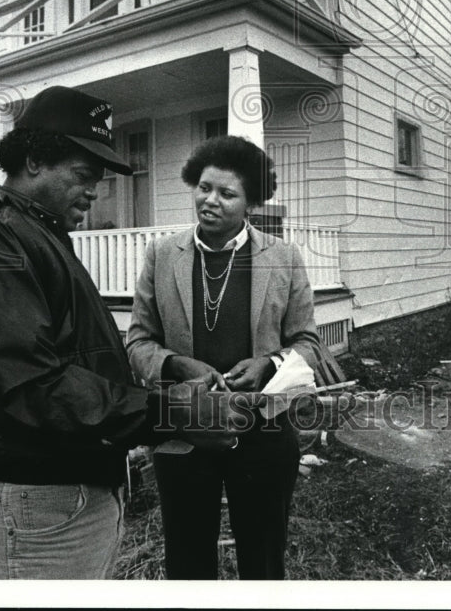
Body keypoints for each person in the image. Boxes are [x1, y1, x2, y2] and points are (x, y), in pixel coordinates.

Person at [0, 86, 238, 581]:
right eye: (84, 176)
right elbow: (33, 388)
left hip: (52, 509)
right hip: (26, 511)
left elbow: (74, 360)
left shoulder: (37, 237)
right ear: (36, 159)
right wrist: (173, 413)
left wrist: (169, 372)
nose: (94, 191)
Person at [126, 135, 320, 580]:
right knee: (188, 557)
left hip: (264, 433)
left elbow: (308, 343)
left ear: (250, 202)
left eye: (227, 193)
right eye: (203, 187)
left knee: (264, 557)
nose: (209, 200)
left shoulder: (284, 257)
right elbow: (138, 342)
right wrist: (177, 366)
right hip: (186, 431)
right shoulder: (161, 255)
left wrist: (269, 364)